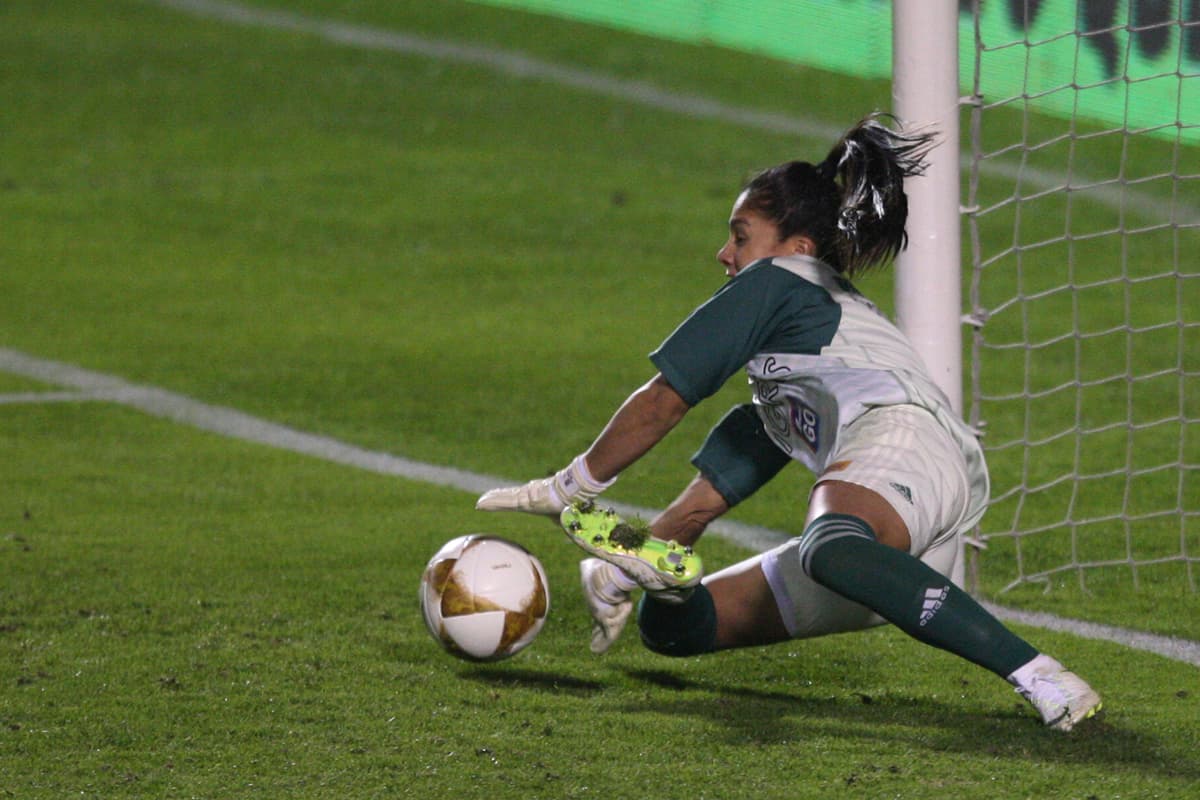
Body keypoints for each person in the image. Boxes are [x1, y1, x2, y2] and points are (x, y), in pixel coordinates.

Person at [476, 114, 1102, 732]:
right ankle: (672, 583)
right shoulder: (807, 349)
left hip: (901, 442)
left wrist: (570, 487)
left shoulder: (782, 281)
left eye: (741, 235)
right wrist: (635, 557)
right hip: (905, 544)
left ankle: (1044, 676)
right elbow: (752, 447)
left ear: (795, 247)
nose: (724, 253)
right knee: (675, 629)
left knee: (829, 546)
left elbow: (666, 397)